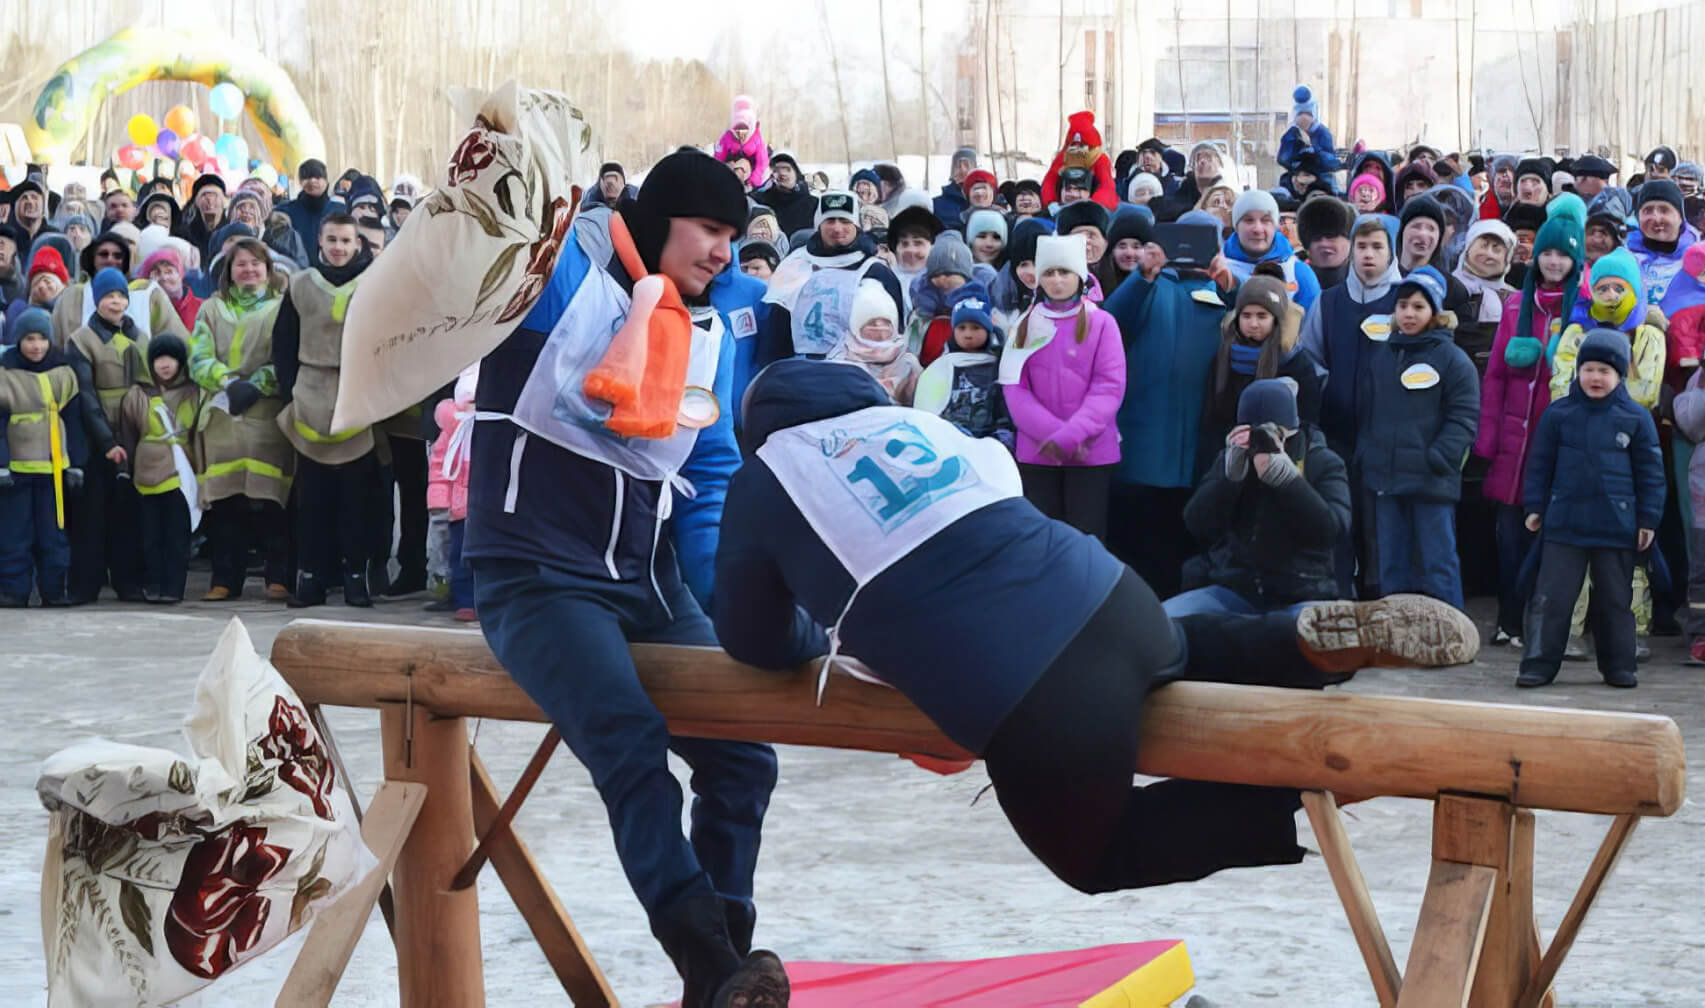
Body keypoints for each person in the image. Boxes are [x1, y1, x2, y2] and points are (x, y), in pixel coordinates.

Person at [713, 359, 1477, 919]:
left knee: (1096, 855)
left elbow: (751, 637)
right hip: (1109, 593)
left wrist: (822, 630)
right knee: (1173, 657)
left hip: (1023, 689)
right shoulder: (917, 424)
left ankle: (1300, 788)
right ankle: (1301, 639)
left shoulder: (766, 477)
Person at [464, 149, 787, 1007]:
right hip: (535, 578)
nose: (724, 250)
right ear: (656, 221)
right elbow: (521, 230)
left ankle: (724, 973)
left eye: (734, 234)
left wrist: (732, 614)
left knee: (745, 761)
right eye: (709, 229)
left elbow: (708, 479)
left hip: (650, 589)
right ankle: (709, 961)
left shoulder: (708, 334)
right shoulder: (566, 285)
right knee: (631, 745)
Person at [1518, 330, 1663, 688]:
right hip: (1564, 524)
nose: (1595, 378)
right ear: (1577, 372)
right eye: (1589, 370)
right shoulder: (1558, 415)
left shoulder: (1636, 418)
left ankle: (1619, 666)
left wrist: (1648, 519)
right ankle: (1538, 663)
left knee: (1616, 601)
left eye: (1604, 371)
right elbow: (1538, 465)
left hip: (1617, 526)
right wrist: (1534, 506)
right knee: (1551, 599)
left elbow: (1651, 474)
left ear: (1619, 375)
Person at [1475, 200, 1583, 646]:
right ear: (1535, 256)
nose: (1554, 262)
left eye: (1562, 255)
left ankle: (1543, 623)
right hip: (1512, 444)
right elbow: (1497, 373)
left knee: (1550, 540)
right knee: (1509, 536)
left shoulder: (1584, 308)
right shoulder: (1518, 303)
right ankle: (1508, 619)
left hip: (1556, 444)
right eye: (1547, 253)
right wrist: (1487, 436)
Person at [1355, 266, 1479, 608]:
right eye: (1403, 305)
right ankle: (1398, 635)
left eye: (1419, 306)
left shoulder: (1454, 360)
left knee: (1437, 562)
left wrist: (1438, 457)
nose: (1409, 313)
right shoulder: (1383, 355)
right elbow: (1369, 411)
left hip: (1431, 479)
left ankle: (1451, 632)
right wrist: (1367, 453)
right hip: (1385, 476)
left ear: (1435, 313)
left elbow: (1464, 417)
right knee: (1391, 563)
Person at [1173, 378, 1349, 618]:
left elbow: (1331, 531)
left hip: (1301, 590)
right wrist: (1229, 479)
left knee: (1304, 636)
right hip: (1235, 587)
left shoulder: (1322, 462)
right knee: (1172, 619)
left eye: (1270, 433)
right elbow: (1196, 523)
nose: (1259, 442)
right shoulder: (1232, 459)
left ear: (1291, 431)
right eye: (1250, 433)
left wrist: (1289, 481)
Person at [273, 213, 379, 607]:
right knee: (311, 502)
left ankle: (355, 579)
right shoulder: (299, 285)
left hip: (355, 396)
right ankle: (311, 578)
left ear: (357, 245)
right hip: (311, 397)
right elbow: (283, 344)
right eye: (332, 239)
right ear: (320, 239)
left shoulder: (372, 286)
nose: (338, 247)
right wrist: (291, 394)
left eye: (346, 241)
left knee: (357, 502)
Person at [188, 237, 293, 601]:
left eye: (255, 263)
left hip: (266, 416)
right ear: (229, 271)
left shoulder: (283, 308)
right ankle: (224, 579)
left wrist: (258, 384)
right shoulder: (211, 310)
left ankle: (278, 577)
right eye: (241, 264)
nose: (249, 270)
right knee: (226, 503)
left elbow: (288, 359)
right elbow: (198, 357)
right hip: (223, 416)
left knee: (271, 502)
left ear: (268, 269)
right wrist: (228, 382)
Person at [1000, 233, 1125, 538]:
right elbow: (1015, 389)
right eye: (1049, 273)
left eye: (1064, 272)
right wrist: (1052, 435)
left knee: (1087, 538)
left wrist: (1071, 436)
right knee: (1043, 539)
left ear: (1079, 275)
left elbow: (1109, 386)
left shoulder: (1102, 322)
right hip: (1039, 452)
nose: (1057, 280)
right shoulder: (1024, 324)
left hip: (1090, 453)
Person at [63, 267, 146, 603]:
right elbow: (86, 396)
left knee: (128, 514)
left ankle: (129, 582)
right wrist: (108, 443)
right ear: (97, 300)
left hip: (134, 433)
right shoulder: (81, 340)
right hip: (97, 441)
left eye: (121, 296)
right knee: (92, 516)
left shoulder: (138, 336)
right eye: (109, 296)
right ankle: (86, 585)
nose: (116, 302)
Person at [0, 308, 87, 606]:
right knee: (15, 534)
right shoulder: (5, 375)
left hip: (54, 471)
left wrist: (76, 462)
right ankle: (14, 591)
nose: (36, 346)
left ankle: (54, 590)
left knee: (54, 533)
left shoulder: (64, 373)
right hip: (16, 472)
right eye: (29, 339)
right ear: (17, 341)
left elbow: (74, 422)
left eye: (41, 339)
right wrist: (1, 464)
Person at [1199, 266, 1320, 474]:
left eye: (1262, 316)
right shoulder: (1223, 357)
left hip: (1279, 462)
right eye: (1246, 315)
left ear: (1276, 319)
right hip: (1229, 461)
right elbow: (1212, 417)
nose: (1253, 324)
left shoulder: (1296, 363)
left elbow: (1308, 421)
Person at [760, 191, 905, 366]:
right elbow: (775, 330)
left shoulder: (876, 273)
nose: (837, 228)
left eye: (845, 221)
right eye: (830, 221)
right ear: (818, 224)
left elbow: (892, 336)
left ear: (856, 225)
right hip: (799, 373)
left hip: (859, 374)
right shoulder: (795, 266)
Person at [115, 332, 199, 603]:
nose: (165, 364)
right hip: (146, 474)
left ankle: (173, 588)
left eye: (171, 358)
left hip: (181, 475)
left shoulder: (194, 392)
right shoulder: (137, 394)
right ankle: (153, 585)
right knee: (150, 536)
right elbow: (128, 433)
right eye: (159, 358)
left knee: (177, 536)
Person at [912, 290, 1014, 449]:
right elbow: (926, 413)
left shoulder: (1001, 366)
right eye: (962, 328)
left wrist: (1001, 441)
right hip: (948, 445)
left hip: (991, 447)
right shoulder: (940, 368)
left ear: (988, 331)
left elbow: (1005, 409)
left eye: (975, 328)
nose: (968, 334)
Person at [1221, 189, 1322, 310]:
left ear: (1275, 226)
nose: (1258, 229)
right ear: (1236, 226)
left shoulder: (1297, 272)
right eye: (1248, 220)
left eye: (1266, 220)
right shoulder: (1219, 269)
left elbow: (1313, 323)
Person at [829, 279, 920, 405]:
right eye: (871, 323)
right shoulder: (841, 361)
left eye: (885, 322)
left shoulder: (908, 362)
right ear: (856, 325)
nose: (879, 326)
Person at [1626, 179, 1693, 308]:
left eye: (1664, 210)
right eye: (1647, 210)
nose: (1656, 218)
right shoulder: (1624, 256)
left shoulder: (1697, 258)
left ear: (1680, 217)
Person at [1039, 113, 1118, 211]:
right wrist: (1051, 203)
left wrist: (1092, 206)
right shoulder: (1063, 156)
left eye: (1083, 145)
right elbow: (1050, 181)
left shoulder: (1100, 158)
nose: (1078, 150)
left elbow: (1107, 186)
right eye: (1074, 145)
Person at [1275, 86, 1342, 187]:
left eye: (1307, 113)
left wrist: (1314, 152)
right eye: (1300, 113)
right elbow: (1283, 159)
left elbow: (1332, 163)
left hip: (1319, 179)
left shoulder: (1322, 133)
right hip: (1296, 179)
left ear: (1314, 115)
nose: (1304, 118)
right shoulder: (1291, 134)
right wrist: (1298, 163)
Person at [279, 159, 334, 266]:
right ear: (300, 182)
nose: (312, 181)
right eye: (307, 177)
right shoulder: (286, 211)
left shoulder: (339, 211)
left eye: (317, 177)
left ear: (326, 181)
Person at [1296, 195, 1356, 291]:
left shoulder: (1368, 283)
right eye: (1316, 238)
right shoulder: (1292, 279)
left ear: (1350, 241)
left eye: (1330, 236)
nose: (1323, 243)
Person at [712, 95, 770, 190]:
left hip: (750, 174)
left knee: (742, 165)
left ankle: (741, 189)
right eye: (738, 129)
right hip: (731, 170)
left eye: (745, 129)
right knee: (730, 165)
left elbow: (762, 164)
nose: (741, 133)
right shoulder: (727, 137)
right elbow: (718, 158)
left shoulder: (757, 139)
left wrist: (752, 183)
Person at [138, 245, 201, 331]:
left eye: (169, 271)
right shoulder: (142, 313)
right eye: (157, 274)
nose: (164, 277)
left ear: (180, 274)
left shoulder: (202, 308)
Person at [754, 153, 818, 236]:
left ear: (797, 173)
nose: (782, 174)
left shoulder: (813, 204)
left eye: (787, 169)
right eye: (776, 170)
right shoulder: (760, 202)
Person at [933, 147, 980, 228]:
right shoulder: (937, 204)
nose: (963, 170)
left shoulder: (988, 201)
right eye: (958, 166)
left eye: (967, 165)